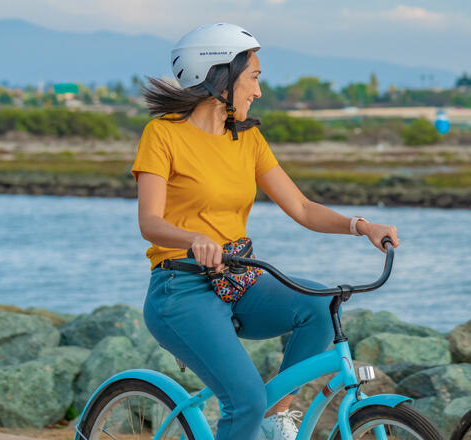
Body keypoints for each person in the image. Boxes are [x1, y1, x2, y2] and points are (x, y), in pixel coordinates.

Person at [133, 23, 400, 440]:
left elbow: (302, 208)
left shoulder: (248, 138)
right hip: (181, 287)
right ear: (218, 75)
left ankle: (278, 415)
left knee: (319, 308)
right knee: (244, 401)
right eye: (253, 78)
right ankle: (258, 411)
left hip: (240, 277)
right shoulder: (163, 134)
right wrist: (193, 239)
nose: (258, 91)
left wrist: (360, 226)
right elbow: (149, 221)